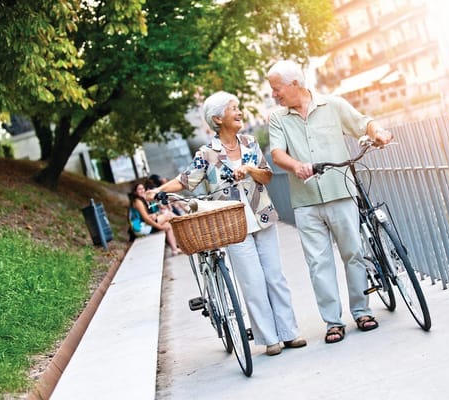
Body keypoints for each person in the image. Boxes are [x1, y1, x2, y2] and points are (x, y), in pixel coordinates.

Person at [147, 91, 306, 356]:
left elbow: (266, 176)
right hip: (231, 225)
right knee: (252, 282)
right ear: (218, 118)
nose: (239, 111)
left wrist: (249, 169)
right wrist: (158, 190)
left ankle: (289, 333)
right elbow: (186, 181)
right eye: (234, 108)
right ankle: (270, 339)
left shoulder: (250, 143)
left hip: (262, 217)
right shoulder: (208, 153)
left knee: (275, 277)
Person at [266, 59, 392, 344]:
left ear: (294, 84)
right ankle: (333, 322)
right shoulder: (277, 118)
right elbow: (276, 153)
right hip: (305, 200)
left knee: (353, 253)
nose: (274, 94)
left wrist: (379, 133)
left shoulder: (332, 105)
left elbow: (363, 123)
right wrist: (296, 165)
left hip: (341, 192)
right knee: (318, 263)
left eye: (277, 89)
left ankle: (361, 311)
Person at [129, 182, 180, 256]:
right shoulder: (137, 202)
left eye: (143, 188)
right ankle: (181, 229)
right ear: (135, 192)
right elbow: (146, 219)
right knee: (167, 216)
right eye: (139, 189)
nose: (142, 190)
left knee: (168, 225)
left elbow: (149, 215)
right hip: (140, 228)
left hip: (144, 225)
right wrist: (160, 227)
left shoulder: (142, 199)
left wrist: (155, 215)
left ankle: (175, 250)